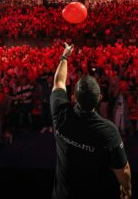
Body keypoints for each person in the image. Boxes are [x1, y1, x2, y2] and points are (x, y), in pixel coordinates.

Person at [50, 43, 132, 199]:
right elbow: (123, 169)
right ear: (99, 98)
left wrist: (64, 56)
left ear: (73, 97)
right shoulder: (108, 131)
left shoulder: (60, 113)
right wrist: (127, 188)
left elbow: (59, 82)